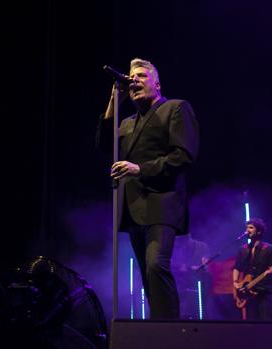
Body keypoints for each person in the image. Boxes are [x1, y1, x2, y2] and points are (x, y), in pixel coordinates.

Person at [96, 58, 199, 319]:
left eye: (141, 76)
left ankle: (170, 334)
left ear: (157, 83)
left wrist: (139, 169)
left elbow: (183, 156)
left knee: (156, 266)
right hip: (133, 209)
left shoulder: (175, 108)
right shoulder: (127, 122)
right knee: (146, 274)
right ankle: (158, 327)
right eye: (131, 78)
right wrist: (113, 102)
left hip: (162, 202)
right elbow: (104, 144)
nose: (134, 81)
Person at [233, 218, 272, 320]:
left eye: (251, 227)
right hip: (248, 294)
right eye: (246, 228)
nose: (247, 230)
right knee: (251, 325)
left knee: (265, 322)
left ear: (259, 231)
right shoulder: (243, 249)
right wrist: (235, 282)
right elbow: (237, 268)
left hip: (264, 292)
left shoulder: (269, 248)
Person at [172, 234, 211, 319]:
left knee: (200, 311)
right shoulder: (174, 248)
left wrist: (191, 268)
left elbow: (206, 266)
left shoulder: (202, 247)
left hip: (198, 285)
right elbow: (174, 267)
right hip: (180, 286)